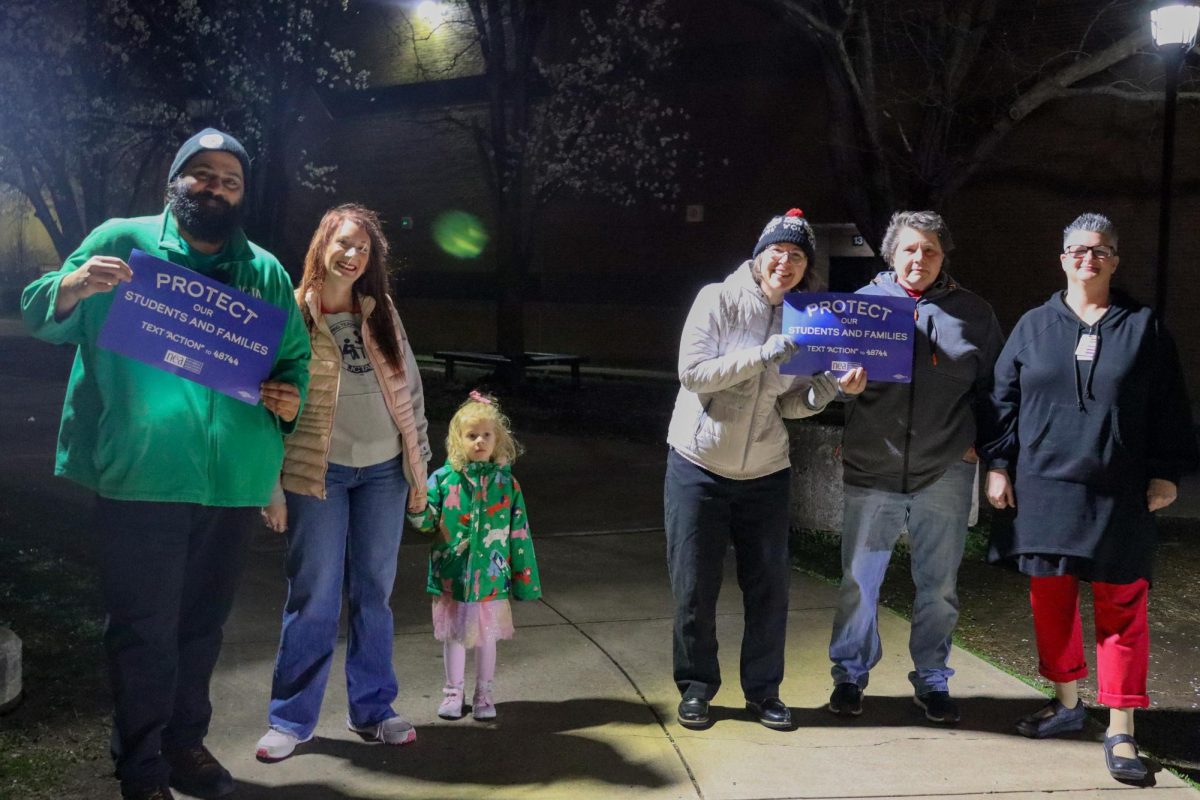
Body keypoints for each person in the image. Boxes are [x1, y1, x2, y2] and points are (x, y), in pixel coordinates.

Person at [21, 128, 310, 800]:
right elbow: (39, 311)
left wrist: (287, 393)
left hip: (229, 482)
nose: (214, 187)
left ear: (242, 195)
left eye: (229, 180)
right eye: (202, 174)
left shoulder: (264, 271)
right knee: (144, 628)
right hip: (142, 477)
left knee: (201, 627)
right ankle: (142, 764)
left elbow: (293, 361)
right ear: (176, 181)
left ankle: (186, 745)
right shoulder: (122, 241)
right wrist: (72, 285)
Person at [981, 213, 1197, 783]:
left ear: (1115, 260)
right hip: (1044, 487)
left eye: (1100, 250)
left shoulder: (1144, 327)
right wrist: (999, 466)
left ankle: (1121, 727)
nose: (1088, 259)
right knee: (1051, 602)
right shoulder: (1032, 326)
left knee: (1122, 609)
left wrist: (1166, 473)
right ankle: (1068, 704)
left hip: (1118, 488)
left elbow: (1170, 407)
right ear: (1062, 259)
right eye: (1077, 250)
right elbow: (1001, 402)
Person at [665, 208, 867, 731]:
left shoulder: (807, 317)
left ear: (806, 266)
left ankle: (763, 692)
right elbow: (693, 374)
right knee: (694, 585)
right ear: (759, 257)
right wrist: (765, 353)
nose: (787, 261)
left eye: (798, 255)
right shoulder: (717, 298)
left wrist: (829, 388)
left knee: (769, 589)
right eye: (778, 251)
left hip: (767, 470)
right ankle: (696, 686)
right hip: (699, 465)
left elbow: (789, 405)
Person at [254, 204, 432, 762]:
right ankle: (291, 719)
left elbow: (412, 395)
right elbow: (262, 402)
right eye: (344, 243)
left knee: (374, 593)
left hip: (383, 473)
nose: (353, 256)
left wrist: (419, 469)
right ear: (322, 245)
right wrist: (271, 485)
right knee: (314, 595)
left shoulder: (380, 313)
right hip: (317, 473)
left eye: (364, 249)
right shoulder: (292, 314)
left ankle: (374, 710)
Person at [827, 210, 1003, 724]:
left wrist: (983, 444)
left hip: (944, 471)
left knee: (939, 586)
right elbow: (823, 372)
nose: (919, 258)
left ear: (943, 256)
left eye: (930, 249)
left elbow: (995, 389)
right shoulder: (859, 308)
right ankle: (849, 677)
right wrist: (845, 385)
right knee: (859, 582)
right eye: (909, 248)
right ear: (891, 254)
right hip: (871, 466)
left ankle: (932, 679)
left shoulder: (973, 313)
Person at [407, 391, 541, 721]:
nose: (479, 441)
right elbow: (427, 524)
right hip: (452, 576)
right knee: (453, 635)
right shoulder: (442, 480)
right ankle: (453, 692)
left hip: (490, 580)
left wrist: (525, 579)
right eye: (471, 435)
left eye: (486, 435)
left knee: (486, 638)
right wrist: (417, 508)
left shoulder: (507, 485)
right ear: (458, 440)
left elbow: (519, 534)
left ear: (498, 440)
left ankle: (484, 692)